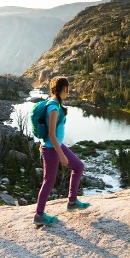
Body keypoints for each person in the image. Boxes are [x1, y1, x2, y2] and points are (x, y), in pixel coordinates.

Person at [34, 76, 89, 225]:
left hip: (56, 145)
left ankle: (72, 202)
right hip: (51, 148)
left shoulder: (56, 104)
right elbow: (51, 134)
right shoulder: (53, 108)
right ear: (63, 89)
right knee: (49, 181)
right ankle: (39, 215)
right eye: (67, 89)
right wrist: (62, 155)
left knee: (78, 166)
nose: (68, 92)